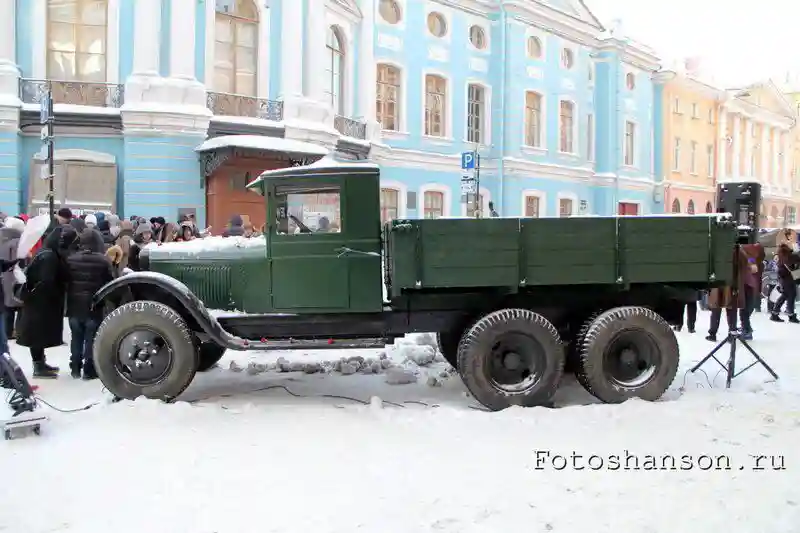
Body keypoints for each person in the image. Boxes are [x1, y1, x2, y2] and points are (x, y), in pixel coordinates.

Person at [15, 225, 75, 378]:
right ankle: (38, 367)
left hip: (37, 302)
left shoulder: (46, 252)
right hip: (40, 303)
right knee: (37, 335)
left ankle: (40, 363)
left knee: (38, 334)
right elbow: (46, 281)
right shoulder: (49, 256)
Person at [65, 228, 116, 379]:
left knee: (76, 337)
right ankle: (89, 369)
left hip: (74, 305)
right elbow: (110, 282)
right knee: (91, 338)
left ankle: (75, 367)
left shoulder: (71, 259)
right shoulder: (103, 260)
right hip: (94, 305)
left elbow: (66, 282)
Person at [770, 243, 799, 323]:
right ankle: (791, 315)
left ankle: (774, 314)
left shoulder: (781, 256)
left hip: (784, 280)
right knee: (791, 296)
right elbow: (795, 263)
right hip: (789, 280)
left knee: (785, 296)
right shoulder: (790, 256)